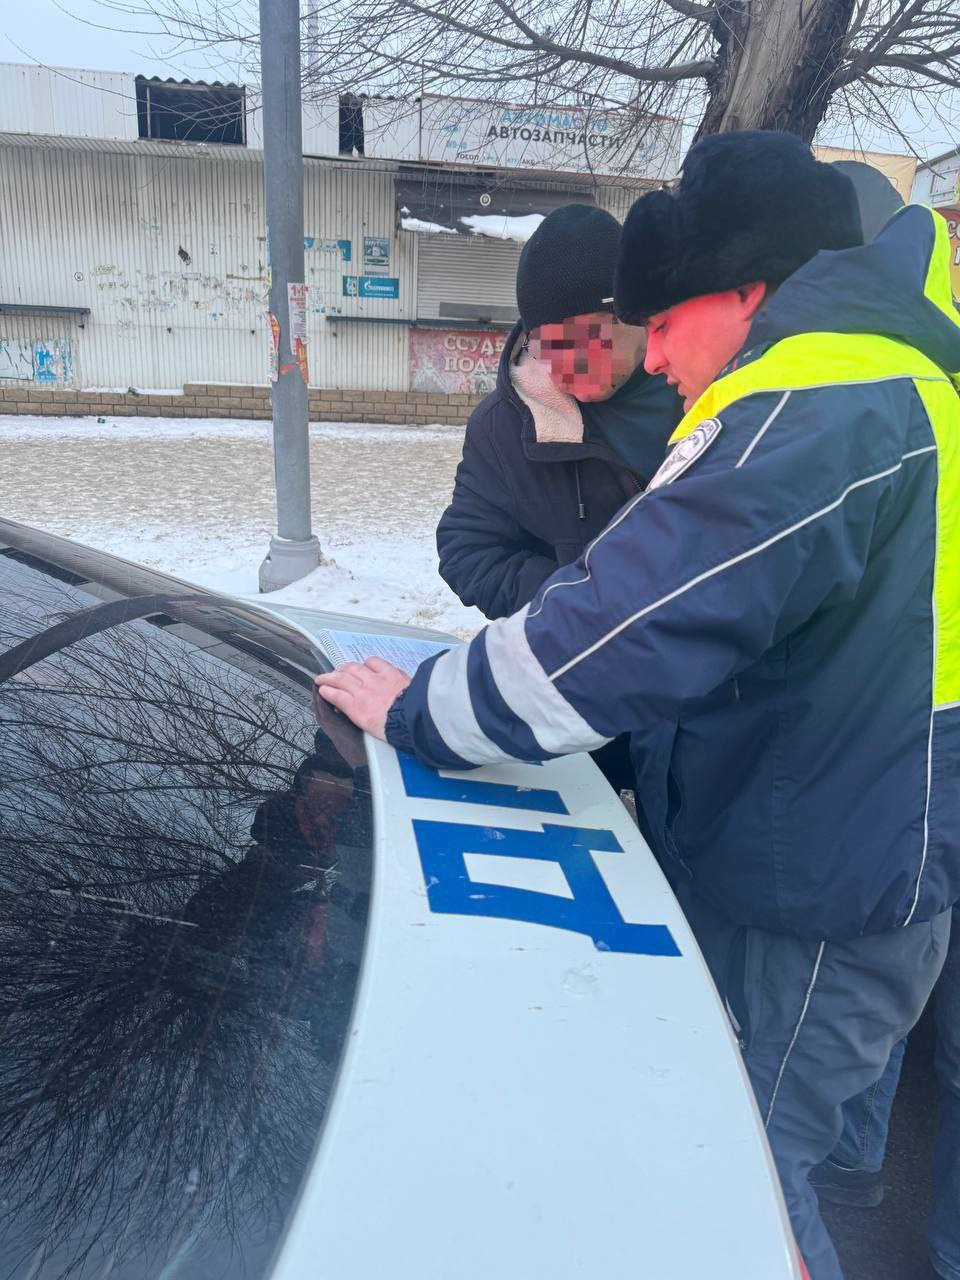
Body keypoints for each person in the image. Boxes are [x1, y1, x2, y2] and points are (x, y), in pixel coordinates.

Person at [316, 130, 960, 1280]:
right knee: (786, 1147)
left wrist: (420, 711)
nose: (652, 355)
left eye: (661, 322)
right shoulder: (893, 376)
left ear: (745, 291)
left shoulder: (814, 406)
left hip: (827, 885)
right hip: (849, 845)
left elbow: (614, 633)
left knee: (740, 1180)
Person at [436, 203, 680, 794]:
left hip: (706, 705)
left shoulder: (701, 386)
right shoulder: (506, 426)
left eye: (586, 341)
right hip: (585, 695)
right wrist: (575, 604)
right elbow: (467, 550)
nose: (565, 366)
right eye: (549, 345)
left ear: (635, 318)